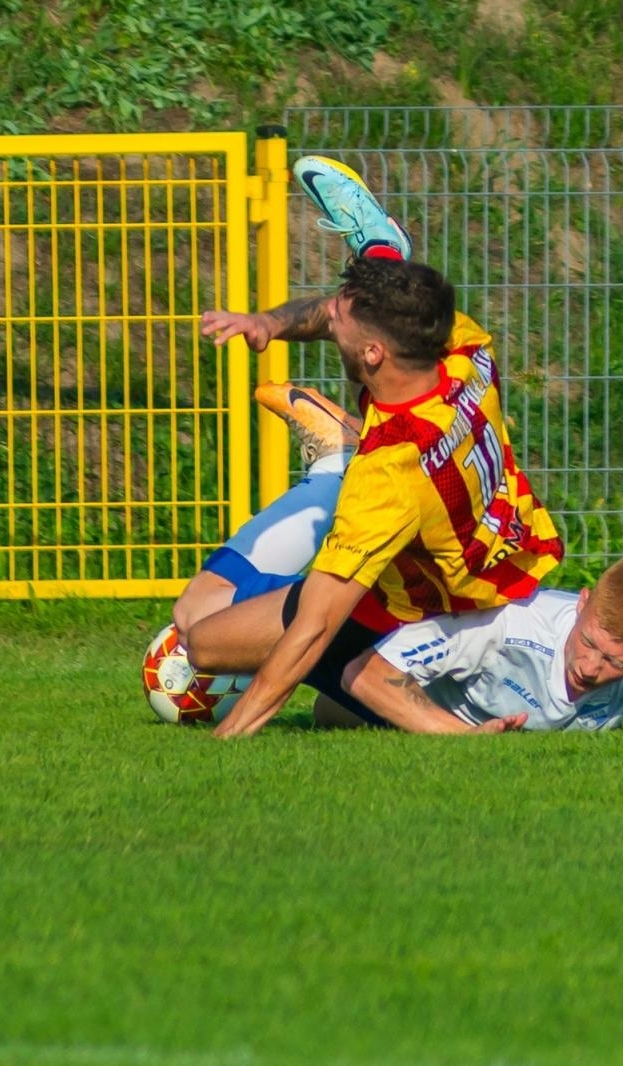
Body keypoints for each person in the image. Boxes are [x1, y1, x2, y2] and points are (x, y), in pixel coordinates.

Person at [181, 156, 565, 739]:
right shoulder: (460, 345)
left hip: (422, 601)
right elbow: (368, 307)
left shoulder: (387, 473)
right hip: (510, 560)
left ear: (373, 356)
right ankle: (382, 247)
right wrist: (267, 321)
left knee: (199, 634)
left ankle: (332, 464)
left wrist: (228, 737)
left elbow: (313, 628)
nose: (326, 319)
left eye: (336, 321)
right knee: (341, 711)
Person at [321, 555, 623, 736]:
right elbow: (365, 675)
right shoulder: (510, 619)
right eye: (588, 642)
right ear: (582, 602)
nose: (590, 666)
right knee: (292, 645)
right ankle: (331, 466)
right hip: (361, 652)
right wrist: (464, 738)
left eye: (613, 661)